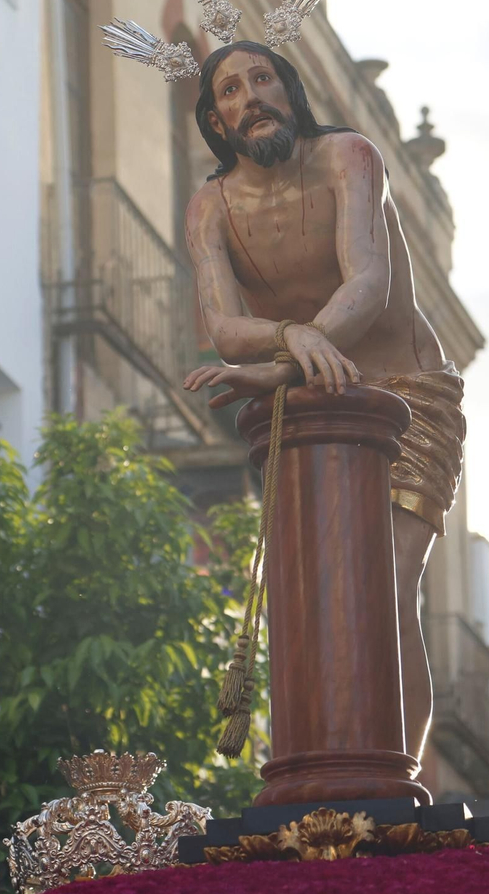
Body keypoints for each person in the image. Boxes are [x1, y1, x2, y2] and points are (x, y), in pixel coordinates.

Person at [179, 38, 465, 763]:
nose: (251, 98)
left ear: (290, 89)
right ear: (215, 121)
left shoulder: (349, 157)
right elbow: (224, 329)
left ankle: (397, 772)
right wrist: (291, 338)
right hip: (310, 410)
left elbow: (366, 284)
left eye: (263, 79)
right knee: (317, 597)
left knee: (388, 587)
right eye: (231, 91)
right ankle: (326, 761)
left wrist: (280, 365)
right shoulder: (210, 207)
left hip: (404, 397)